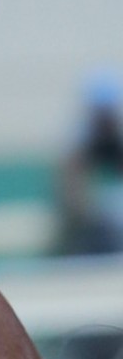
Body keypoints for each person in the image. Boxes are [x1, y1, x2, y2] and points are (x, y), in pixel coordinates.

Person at [50, 70, 123, 257]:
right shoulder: (78, 140)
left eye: (108, 114)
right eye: (99, 114)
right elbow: (71, 194)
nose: (104, 120)